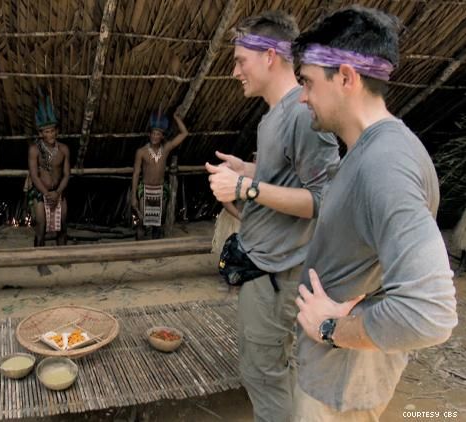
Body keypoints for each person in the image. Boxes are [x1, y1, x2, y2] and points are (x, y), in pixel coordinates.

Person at [290, 7, 457, 420]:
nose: (303, 96)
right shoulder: (371, 152)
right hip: (337, 381)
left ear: (346, 77)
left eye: (308, 82)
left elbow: (430, 312)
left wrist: (329, 329)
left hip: (340, 394)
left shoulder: (385, 165)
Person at [204, 11, 339, 422]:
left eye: (240, 60)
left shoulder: (302, 113)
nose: (234, 72)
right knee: (269, 369)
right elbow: (291, 178)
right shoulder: (275, 116)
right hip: (266, 268)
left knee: (263, 374)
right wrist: (250, 170)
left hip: (279, 272)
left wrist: (246, 188)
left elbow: (325, 198)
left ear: (269, 57)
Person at [131, 112, 188, 239]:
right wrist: (133, 196)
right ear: (149, 134)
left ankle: (155, 244)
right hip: (145, 189)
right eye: (153, 133)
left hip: (160, 190)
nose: (155, 136)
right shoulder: (141, 152)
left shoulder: (166, 148)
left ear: (162, 136)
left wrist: (176, 118)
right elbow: (136, 174)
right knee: (141, 221)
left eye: (158, 134)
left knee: (158, 222)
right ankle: (139, 245)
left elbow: (184, 133)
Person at [27, 94, 70, 247]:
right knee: (41, 227)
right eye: (46, 132)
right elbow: (34, 176)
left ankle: (62, 257)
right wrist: (46, 193)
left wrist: (57, 193)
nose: (50, 134)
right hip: (40, 192)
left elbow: (66, 174)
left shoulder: (64, 149)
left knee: (62, 227)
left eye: (52, 131)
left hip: (58, 191)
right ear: (40, 133)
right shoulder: (35, 150)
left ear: (56, 131)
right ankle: (39, 257)